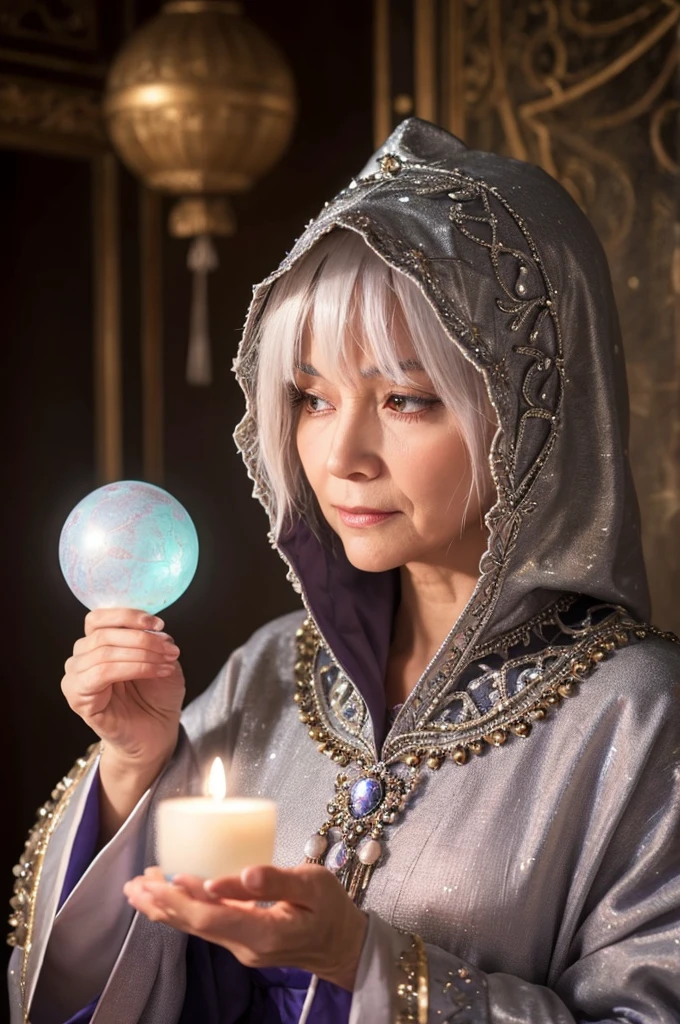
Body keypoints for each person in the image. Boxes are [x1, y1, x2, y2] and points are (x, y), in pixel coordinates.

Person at [8, 118, 680, 1024]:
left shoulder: (638, 715)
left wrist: (361, 962)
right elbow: (76, 987)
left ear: (533, 416)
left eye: (407, 399)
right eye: (313, 398)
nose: (342, 455)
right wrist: (135, 766)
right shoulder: (269, 669)